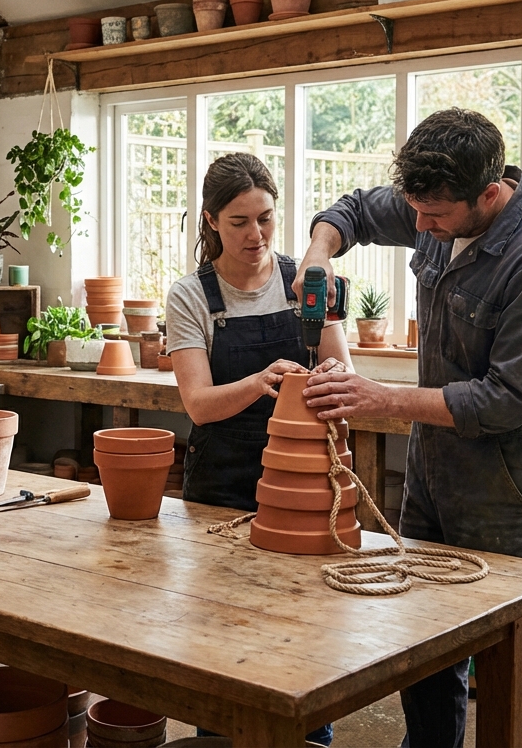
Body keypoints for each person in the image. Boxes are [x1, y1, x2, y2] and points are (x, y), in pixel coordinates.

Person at [297, 108, 522, 748]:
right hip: (434, 473)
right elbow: (355, 210)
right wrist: (318, 255)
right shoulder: (435, 202)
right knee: (423, 646)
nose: (420, 226)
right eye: (415, 209)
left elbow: (506, 399)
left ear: (489, 194)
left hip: (509, 488)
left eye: (435, 215)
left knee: (518, 667)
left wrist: (380, 398)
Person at [165, 153, 350, 747]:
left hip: (304, 480)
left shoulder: (307, 284)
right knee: (223, 630)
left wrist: (326, 381)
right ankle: (218, 738)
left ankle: (309, 739)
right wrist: (262, 381)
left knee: (303, 625)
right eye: (240, 221)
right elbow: (198, 403)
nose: (256, 234)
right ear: (211, 221)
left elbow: (343, 369)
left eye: (266, 218)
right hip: (222, 482)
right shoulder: (191, 296)